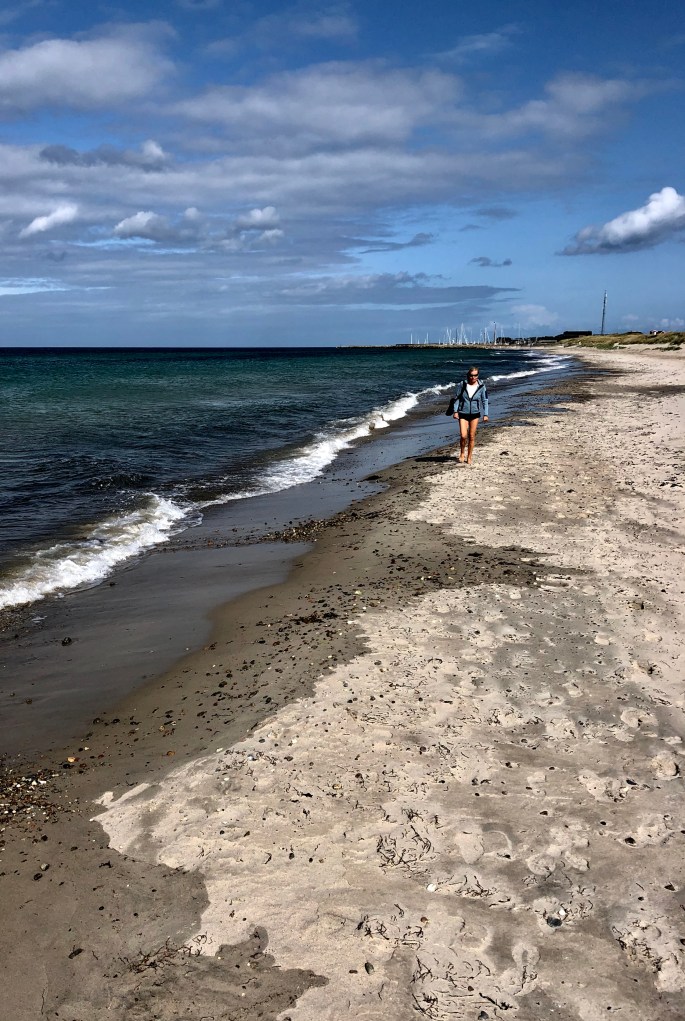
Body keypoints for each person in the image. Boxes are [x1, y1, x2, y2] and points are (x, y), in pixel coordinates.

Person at [452, 366, 489, 464]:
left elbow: (485, 400)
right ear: (468, 375)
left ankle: (469, 456)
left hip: (475, 414)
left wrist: (486, 414)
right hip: (462, 413)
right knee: (463, 435)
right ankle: (462, 453)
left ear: (478, 375)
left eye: (475, 375)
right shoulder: (462, 384)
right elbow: (457, 398)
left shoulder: (482, 386)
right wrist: (455, 411)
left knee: (472, 436)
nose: (473, 377)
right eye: (471, 375)